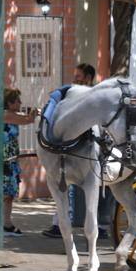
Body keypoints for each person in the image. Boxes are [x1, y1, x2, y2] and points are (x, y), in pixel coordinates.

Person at [42, 61, 100, 238]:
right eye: (75, 77)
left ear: (88, 78)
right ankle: (59, 224)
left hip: (89, 152)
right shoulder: (73, 96)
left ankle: (94, 226)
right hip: (70, 151)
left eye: (78, 77)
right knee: (63, 186)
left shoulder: (94, 96)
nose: (75, 80)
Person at [0, 88, 37, 236]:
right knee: (4, 193)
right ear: (9, 103)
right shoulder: (5, 115)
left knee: (7, 193)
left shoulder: (10, 115)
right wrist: (35, 112)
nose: (20, 103)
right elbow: (28, 120)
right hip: (1, 160)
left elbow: (23, 117)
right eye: (17, 101)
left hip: (9, 160)